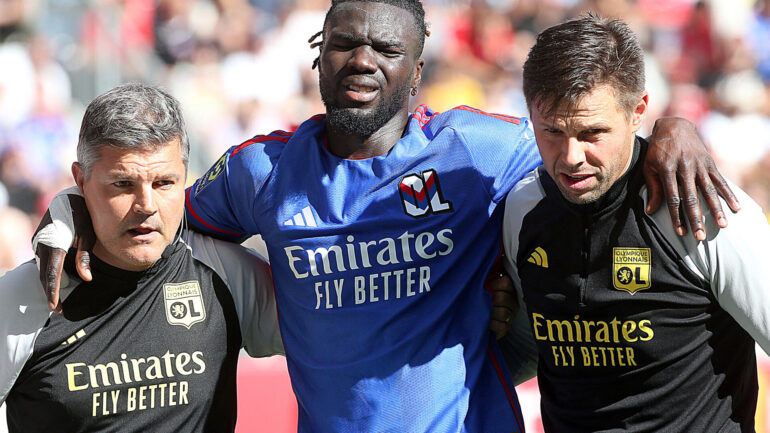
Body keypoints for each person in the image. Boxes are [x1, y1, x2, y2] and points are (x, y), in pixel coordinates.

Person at [34, 1, 740, 432]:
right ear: (318, 56)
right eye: (344, 43)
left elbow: (596, 140)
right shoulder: (261, 171)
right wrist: (69, 209)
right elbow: (151, 214)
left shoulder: (480, 151)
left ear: (418, 65)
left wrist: (672, 129)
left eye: (386, 48)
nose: (363, 59)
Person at [502, 14, 770, 432]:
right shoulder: (522, 209)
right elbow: (529, 350)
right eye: (552, 130)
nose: (571, 156)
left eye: (593, 132)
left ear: (638, 110)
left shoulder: (707, 211)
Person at [1, 83, 284, 432]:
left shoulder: (227, 274)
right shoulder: (22, 299)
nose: (146, 206)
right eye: (122, 184)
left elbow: (347, 344)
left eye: (165, 183)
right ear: (81, 181)